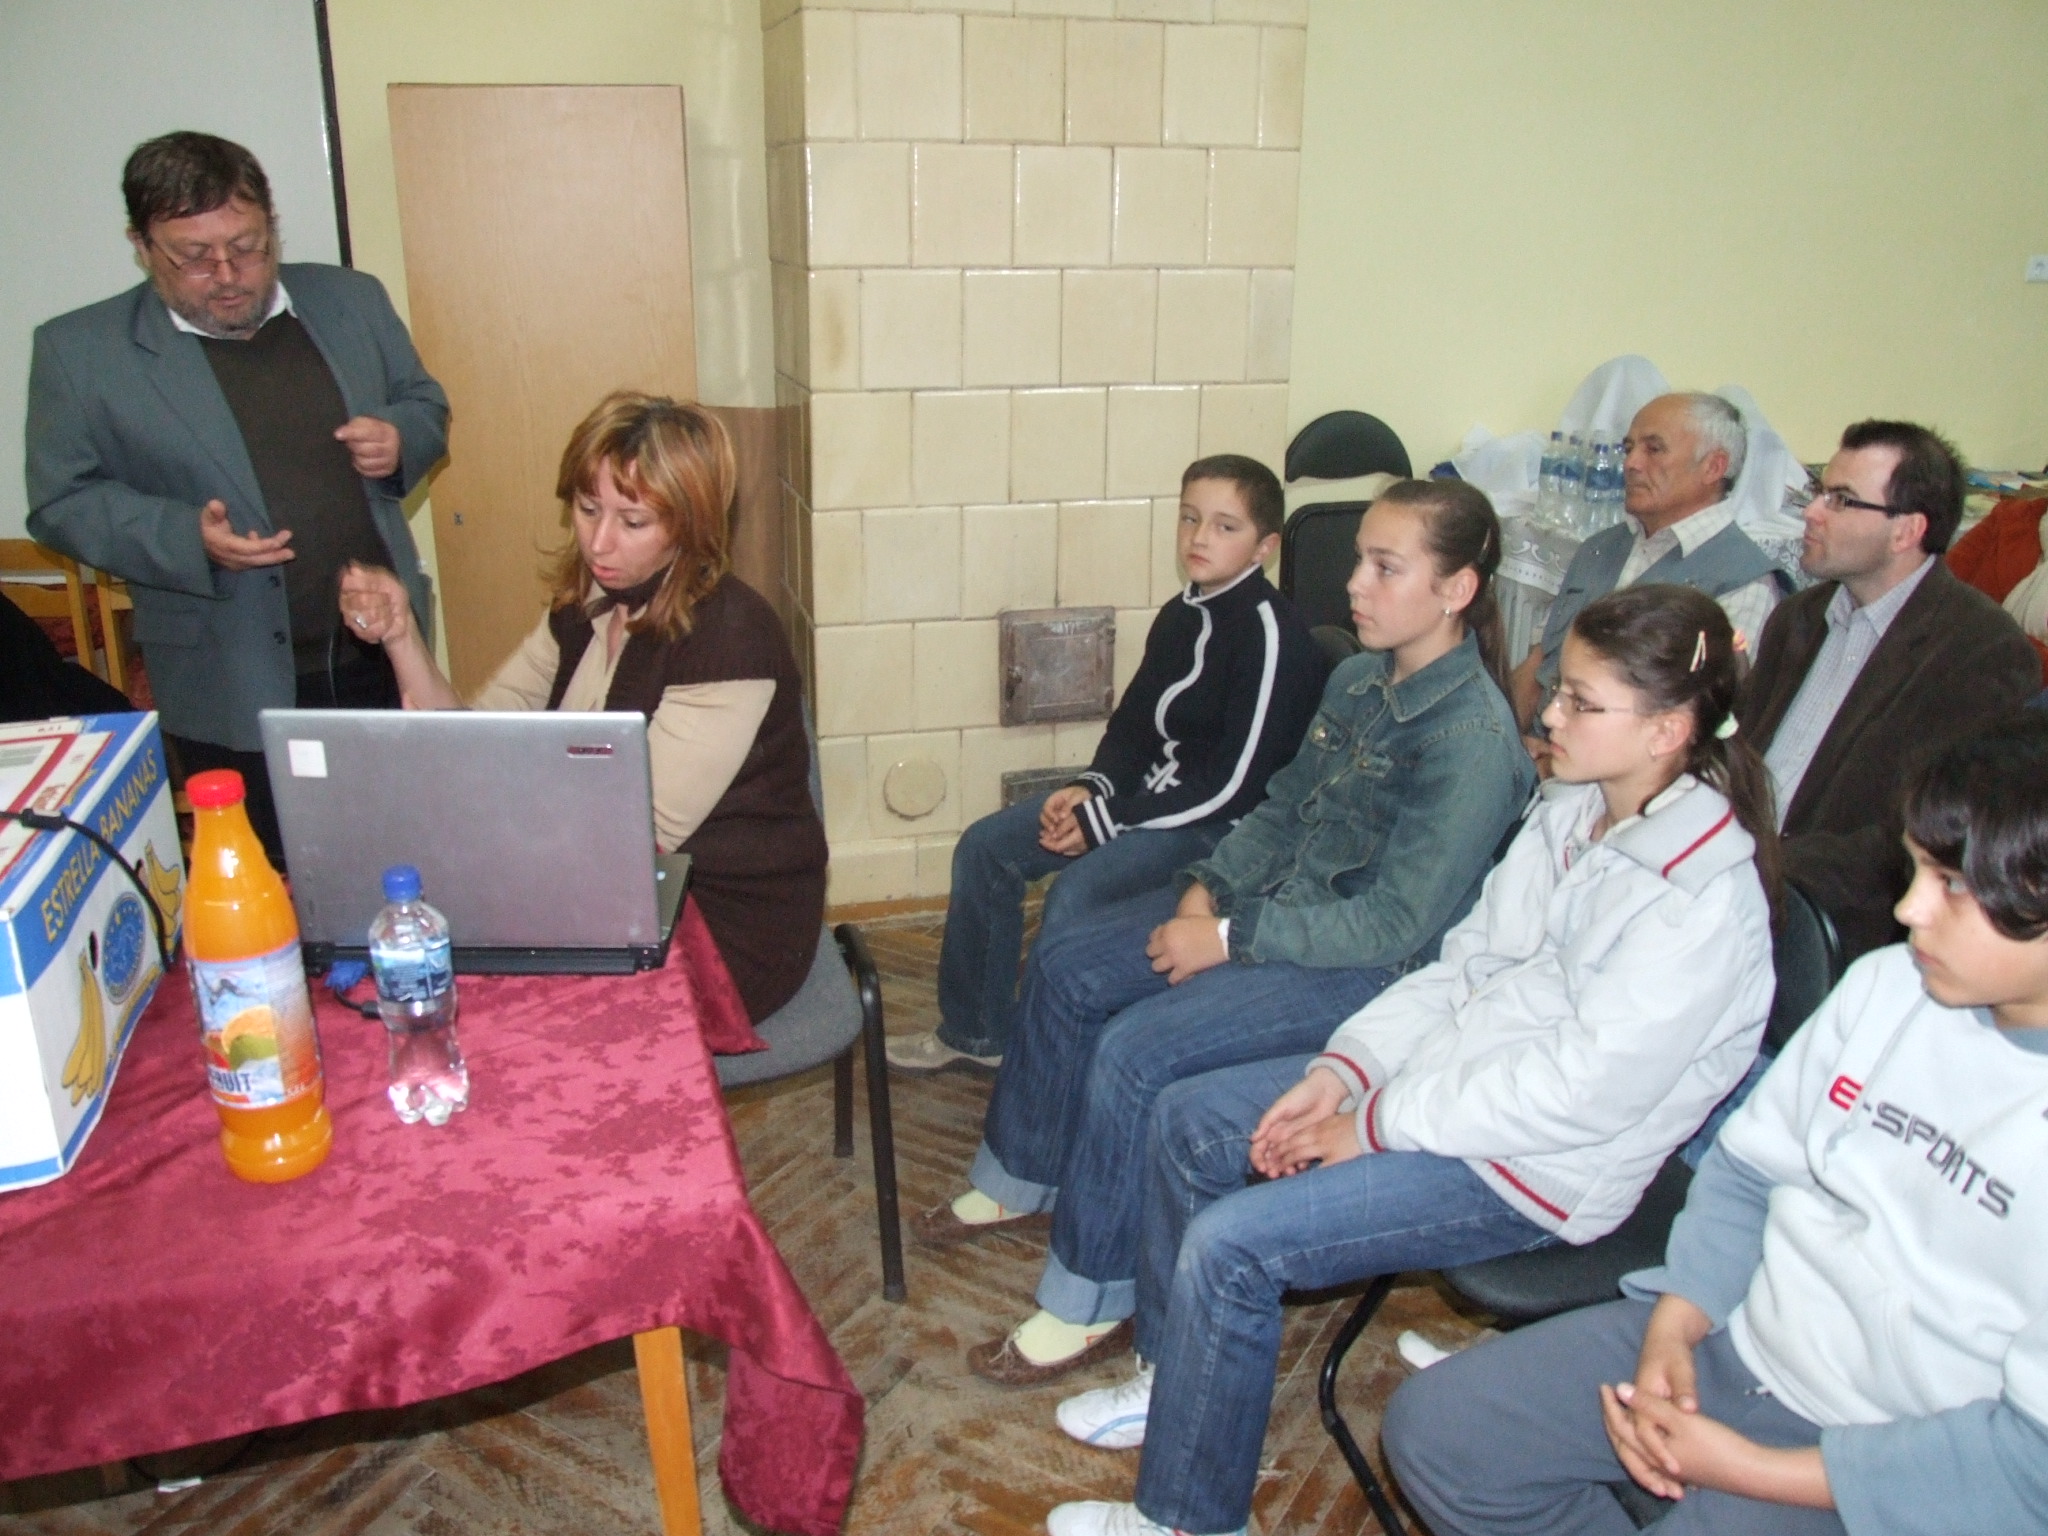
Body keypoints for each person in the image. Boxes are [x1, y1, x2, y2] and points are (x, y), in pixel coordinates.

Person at [1045, 585, 1780, 1536]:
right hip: (1444, 1094)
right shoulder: (1575, 811)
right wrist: (1343, 1073)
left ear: (1668, 731)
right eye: (1561, 689)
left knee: (1234, 1246)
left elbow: (1576, 1094)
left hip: (1538, 1168)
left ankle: (1189, 1518)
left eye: (1582, 702)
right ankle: (1177, 1379)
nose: (1549, 715)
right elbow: (1462, 968)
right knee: (1190, 1120)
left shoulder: (1700, 902)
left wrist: (1374, 1124)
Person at [925, 480, 1538, 1384]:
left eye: (1385, 568)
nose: (1355, 586)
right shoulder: (1360, 678)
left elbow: (1393, 924)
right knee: (1067, 964)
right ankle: (1024, 1176)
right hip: (1271, 914)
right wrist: (1207, 888)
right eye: (1360, 561)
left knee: (1136, 1051)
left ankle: (1091, 1295)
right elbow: (1283, 809)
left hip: (1366, 969)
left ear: (1457, 590)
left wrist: (1227, 935)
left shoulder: (1472, 741)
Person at [1383, 712, 2048, 1536]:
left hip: (1894, 1457)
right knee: (1441, 1434)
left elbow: (2026, 1466)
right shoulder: (1889, 986)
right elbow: (1748, 1172)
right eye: (1917, 872)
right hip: (1738, 1338)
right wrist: (1679, 1316)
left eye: (1953, 886)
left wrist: (1742, 1469)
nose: (1910, 908)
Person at [25, 131, 449, 863]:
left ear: (270, 225)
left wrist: (400, 438)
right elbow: (61, 502)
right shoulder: (81, 352)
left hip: (380, 654)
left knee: (414, 857)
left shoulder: (350, 299)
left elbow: (423, 402)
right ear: (141, 245)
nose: (226, 275)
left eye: (247, 247)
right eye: (193, 256)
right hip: (228, 682)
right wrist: (184, 536)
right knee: (272, 886)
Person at [340, 391, 825, 1023]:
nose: (599, 543)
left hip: (723, 919)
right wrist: (401, 634)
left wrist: (483, 811)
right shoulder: (590, 602)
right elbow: (468, 738)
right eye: (588, 508)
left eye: (633, 522)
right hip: (599, 882)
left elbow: (632, 839)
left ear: (692, 524)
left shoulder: (731, 638)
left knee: (501, 1010)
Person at [888, 455, 1324, 1072]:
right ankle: (977, 1035)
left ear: (1265, 547)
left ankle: (1048, 1065)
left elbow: (1233, 788)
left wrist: (1108, 820)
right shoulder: (1181, 613)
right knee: (986, 847)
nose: (1199, 537)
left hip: (1219, 828)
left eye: (1225, 527)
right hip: (1144, 804)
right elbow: (1133, 727)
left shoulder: (1270, 634)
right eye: (1189, 518)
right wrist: (1090, 788)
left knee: (1078, 893)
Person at [1738, 420, 2038, 962]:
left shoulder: (1978, 651)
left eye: (1840, 499)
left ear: (1906, 531)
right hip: (1730, 884)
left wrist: (1751, 869)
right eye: (1818, 491)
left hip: (1831, 919)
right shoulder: (1798, 618)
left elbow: (1918, 838)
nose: (1812, 512)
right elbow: (1737, 754)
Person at [1512, 393, 1785, 741]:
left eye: (1654, 449)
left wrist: (1559, 760)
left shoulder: (1741, 581)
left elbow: (1694, 728)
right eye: (1629, 448)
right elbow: (1539, 665)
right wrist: (1508, 749)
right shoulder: (1599, 548)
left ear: (1714, 467)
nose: (1631, 463)